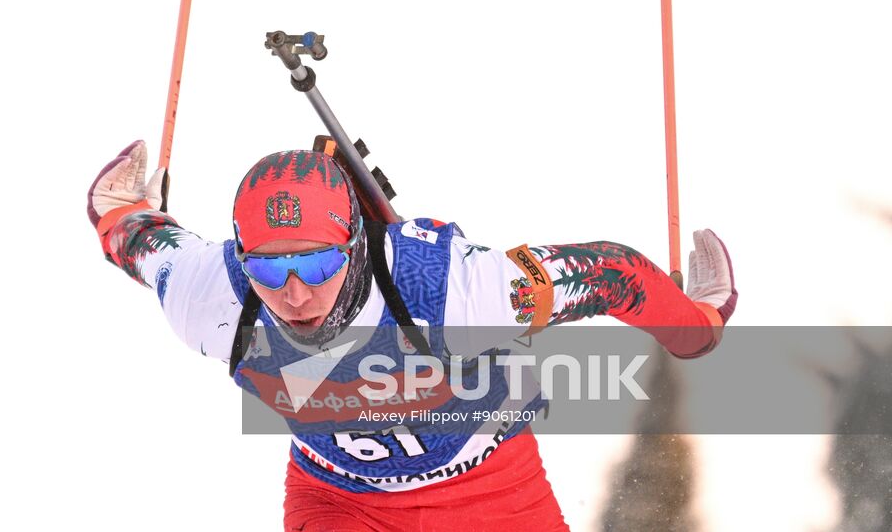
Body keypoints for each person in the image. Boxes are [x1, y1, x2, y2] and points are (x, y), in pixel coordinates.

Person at [88, 140, 737, 531]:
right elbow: (135, 238)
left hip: (490, 490)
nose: (294, 292)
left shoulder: (452, 290)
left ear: (352, 245)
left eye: (316, 264)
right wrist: (119, 208)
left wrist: (695, 329)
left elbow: (608, 273)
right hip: (340, 497)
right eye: (269, 269)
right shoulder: (213, 296)